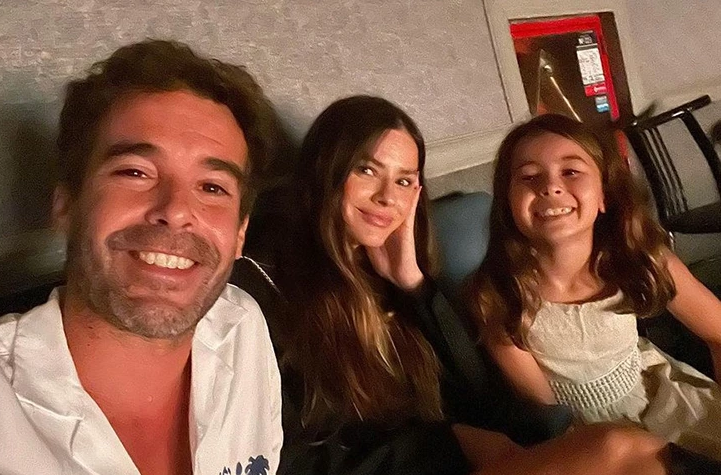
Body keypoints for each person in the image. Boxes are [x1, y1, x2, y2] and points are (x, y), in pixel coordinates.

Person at [269, 96, 682, 475]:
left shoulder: (384, 275)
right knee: (617, 448)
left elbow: (474, 394)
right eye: (367, 170)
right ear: (327, 168)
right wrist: (450, 444)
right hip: (424, 462)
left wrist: (415, 285)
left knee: (636, 455)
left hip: (460, 452)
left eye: (404, 181)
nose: (387, 197)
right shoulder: (272, 289)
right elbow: (299, 455)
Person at [0, 40, 284, 474]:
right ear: (66, 205)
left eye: (212, 187)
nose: (176, 210)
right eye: (135, 172)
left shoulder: (243, 329)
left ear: (240, 234)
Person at [467, 113, 721, 460]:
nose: (550, 187)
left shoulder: (642, 259)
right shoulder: (496, 295)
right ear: (508, 204)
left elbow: (718, 332)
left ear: (604, 195)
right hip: (579, 436)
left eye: (571, 171)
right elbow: (547, 413)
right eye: (528, 176)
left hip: (667, 403)